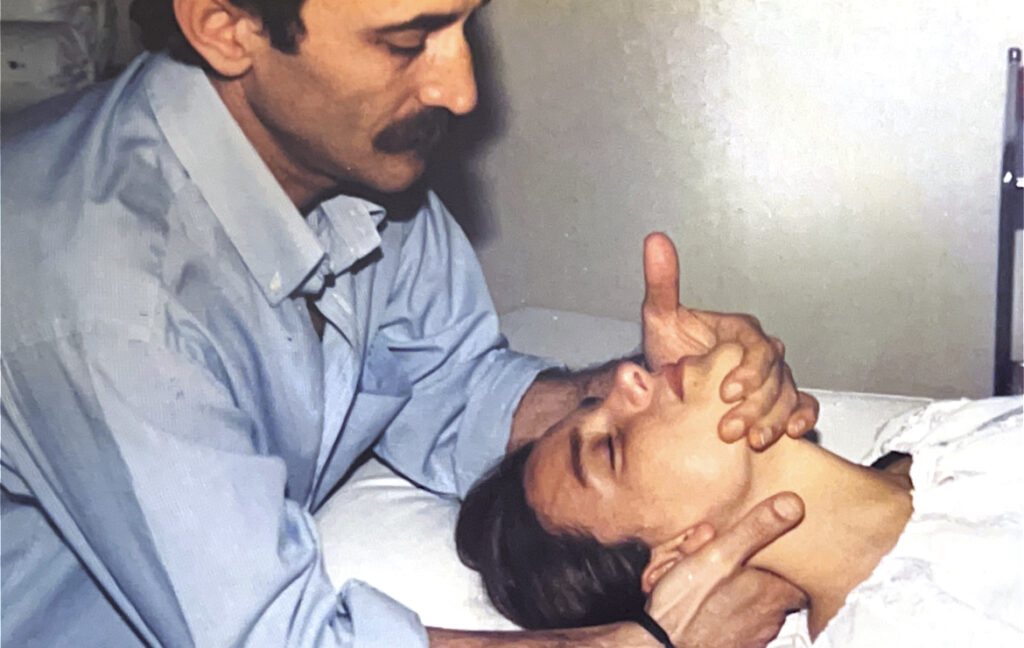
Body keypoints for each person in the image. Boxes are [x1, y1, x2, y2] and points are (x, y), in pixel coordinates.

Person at [1, 0, 819, 646]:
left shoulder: (352, 174)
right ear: (225, 26)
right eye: (406, 41)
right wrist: (643, 642)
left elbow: (455, 387)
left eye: (466, 23)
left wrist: (664, 387)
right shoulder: (106, 300)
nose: (460, 90)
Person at [456, 343, 1024, 646]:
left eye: (595, 404)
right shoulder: (902, 632)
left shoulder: (937, 437)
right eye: (609, 447)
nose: (628, 376)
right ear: (679, 556)